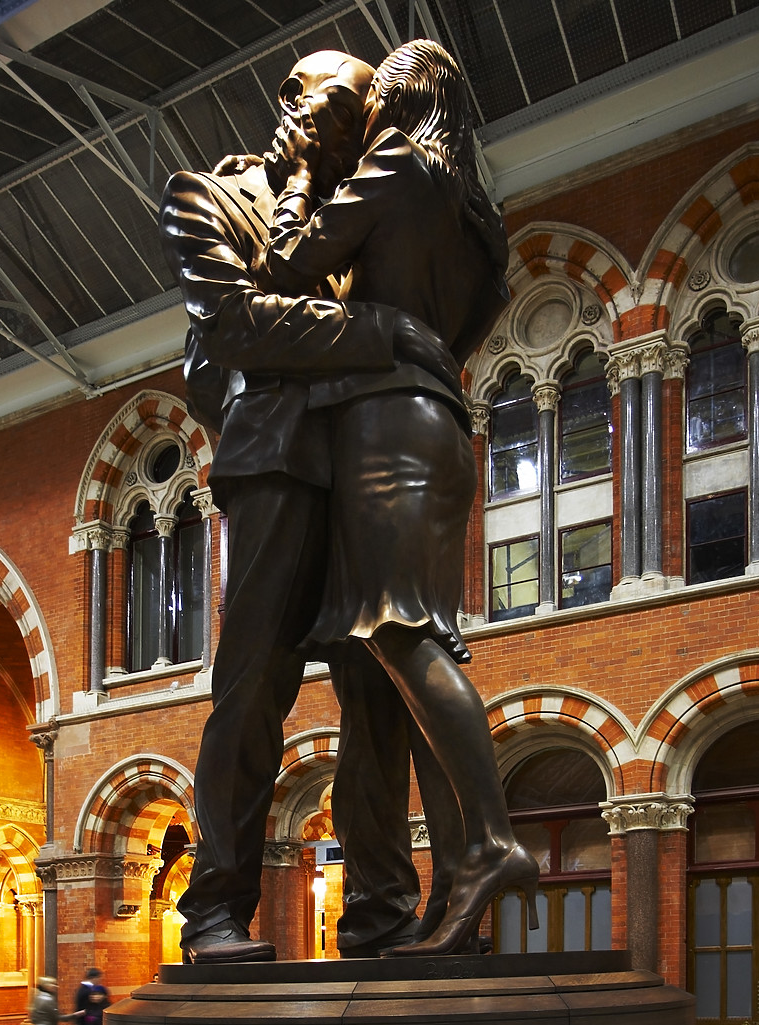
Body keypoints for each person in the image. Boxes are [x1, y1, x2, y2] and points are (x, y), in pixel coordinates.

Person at [159, 51, 465, 963]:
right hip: (278, 460)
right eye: (322, 98)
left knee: (381, 690)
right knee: (252, 686)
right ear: (290, 98)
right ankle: (216, 911)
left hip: (373, 462)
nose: (327, 118)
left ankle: (378, 913)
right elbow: (234, 323)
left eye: (354, 106)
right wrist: (386, 335)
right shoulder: (208, 195)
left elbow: (450, 307)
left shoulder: (381, 193)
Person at [259, 39, 540, 955]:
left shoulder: (393, 160)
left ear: (394, 100)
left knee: (395, 630)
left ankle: (492, 843)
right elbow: (482, 304)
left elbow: (289, 265)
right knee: (410, 645)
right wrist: (421, 337)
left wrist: (302, 177)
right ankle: (462, 867)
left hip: (386, 421)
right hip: (443, 421)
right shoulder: (469, 206)